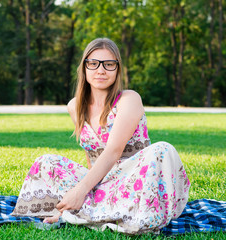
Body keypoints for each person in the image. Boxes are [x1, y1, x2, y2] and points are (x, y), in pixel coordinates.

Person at [11, 38, 190, 234]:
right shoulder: (74, 106)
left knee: (162, 149)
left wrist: (80, 191)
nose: (101, 70)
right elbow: (92, 158)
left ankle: (84, 213)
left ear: (117, 69)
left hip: (134, 182)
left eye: (109, 64)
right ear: (84, 68)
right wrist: (87, 190)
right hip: (102, 184)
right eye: (93, 63)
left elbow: (113, 151)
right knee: (46, 162)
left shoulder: (129, 99)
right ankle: (74, 210)